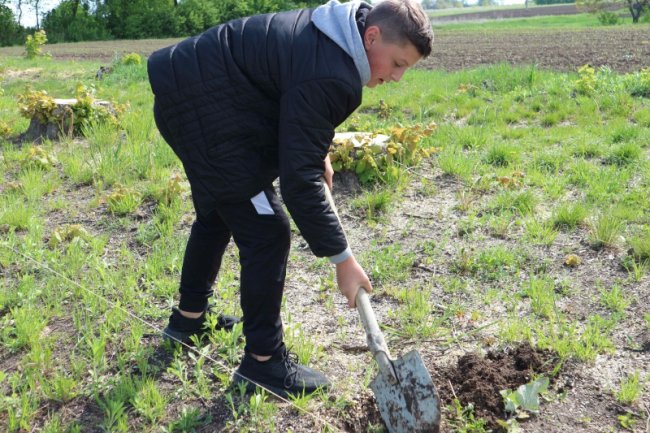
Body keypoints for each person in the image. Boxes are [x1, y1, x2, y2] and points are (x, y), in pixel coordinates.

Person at [147, 0, 433, 398]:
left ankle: (189, 319)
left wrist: (320, 152)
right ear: (372, 36)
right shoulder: (335, 72)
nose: (398, 77)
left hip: (189, 90)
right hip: (206, 107)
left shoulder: (333, 33)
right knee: (267, 230)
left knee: (222, 210)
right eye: (398, 63)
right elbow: (299, 183)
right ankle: (263, 363)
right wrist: (343, 261)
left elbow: (294, 96)